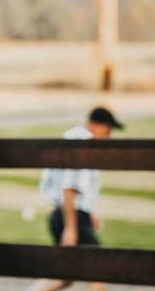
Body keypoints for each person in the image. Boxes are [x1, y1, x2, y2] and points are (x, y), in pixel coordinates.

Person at [29, 107, 124, 291]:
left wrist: (90, 211)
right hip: (72, 216)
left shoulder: (73, 136)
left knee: (65, 276)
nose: (109, 136)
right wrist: (71, 227)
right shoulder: (83, 143)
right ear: (97, 125)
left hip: (67, 213)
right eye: (108, 130)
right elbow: (69, 186)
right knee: (99, 270)